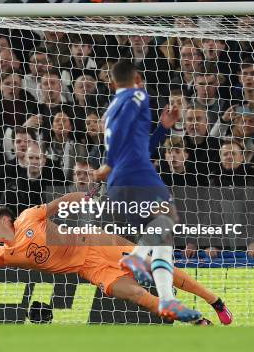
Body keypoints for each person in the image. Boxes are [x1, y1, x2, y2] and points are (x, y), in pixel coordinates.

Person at [0, 201, 233, 325]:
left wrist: (87, 196)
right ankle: (196, 321)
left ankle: (215, 301)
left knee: (154, 268)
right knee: (135, 295)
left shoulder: (29, 217)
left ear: (4, 219)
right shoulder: (3, 255)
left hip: (97, 242)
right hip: (90, 269)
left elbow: (59, 203)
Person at [92, 60, 201, 322]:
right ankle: (136, 258)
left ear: (111, 84)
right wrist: (109, 161)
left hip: (119, 184)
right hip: (135, 173)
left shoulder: (110, 109)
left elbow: (138, 145)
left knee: (162, 239)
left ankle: (167, 300)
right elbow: (123, 135)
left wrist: (163, 129)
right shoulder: (137, 94)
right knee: (168, 217)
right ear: (138, 78)